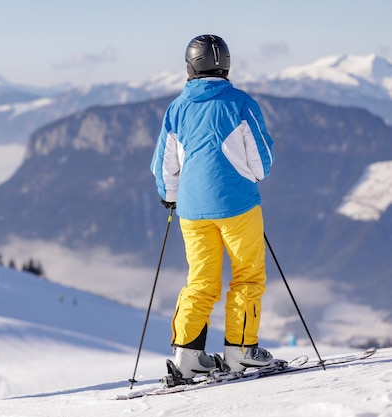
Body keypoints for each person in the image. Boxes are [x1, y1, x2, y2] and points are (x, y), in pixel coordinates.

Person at [150, 34, 275, 380]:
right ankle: (241, 352)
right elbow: (262, 161)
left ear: (190, 66)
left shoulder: (177, 108)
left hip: (191, 211)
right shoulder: (240, 103)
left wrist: (170, 195)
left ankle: (188, 356)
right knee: (247, 276)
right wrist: (247, 176)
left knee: (201, 280)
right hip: (238, 205)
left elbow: (164, 162)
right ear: (226, 63)